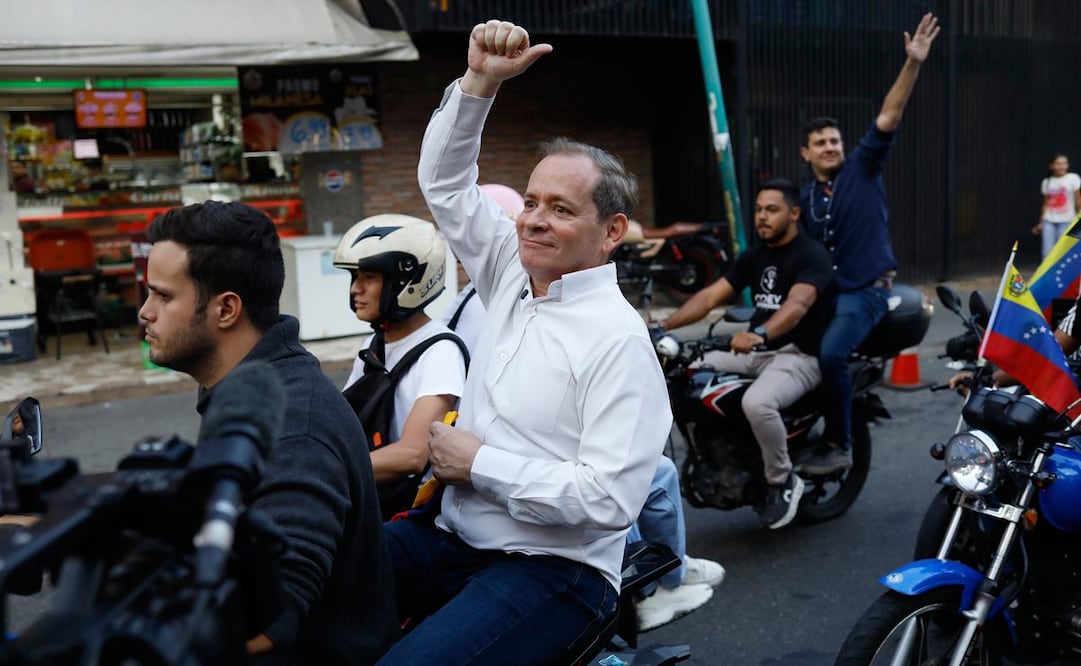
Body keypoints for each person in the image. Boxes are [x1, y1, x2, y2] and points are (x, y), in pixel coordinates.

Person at [378, 20, 672, 664]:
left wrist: (478, 463)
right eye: (531, 202)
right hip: (449, 538)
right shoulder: (510, 269)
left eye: (561, 209)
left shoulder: (619, 340)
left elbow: (610, 499)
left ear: (612, 229)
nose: (534, 219)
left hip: (555, 571)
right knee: (292, 579)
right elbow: (447, 187)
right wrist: (479, 83)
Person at [138, 201, 397, 665]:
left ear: (226, 310)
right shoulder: (254, 392)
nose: (145, 312)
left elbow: (266, 620)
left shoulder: (292, 426)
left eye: (163, 296)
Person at [442, 247, 724, 633]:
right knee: (636, 481)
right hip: (511, 472)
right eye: (529, 210)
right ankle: (656, 583)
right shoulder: (499, 294)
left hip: (505, 454)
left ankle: (671, 567)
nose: (530, 230)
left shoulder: (482, 297)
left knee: (644, 475)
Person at [799, 12, 941, 475]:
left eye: (834, 140)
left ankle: (840, 444)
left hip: (867, 292)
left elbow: (888, 115)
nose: (830, 147)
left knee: (832, 354)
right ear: (807, 152)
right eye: (820, 142)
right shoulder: (804, 199)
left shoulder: (861, 168)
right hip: (829, 294)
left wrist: (913, 63)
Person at [656, 179, 833, 528]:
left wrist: (761, 333)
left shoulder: (812, 256)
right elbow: (710, 296)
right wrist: (665, 325)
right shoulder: (755, 255)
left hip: (799, 354)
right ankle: (715, 451)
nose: (762, 217)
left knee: (757, 403)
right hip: (757, 351)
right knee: (687, 371)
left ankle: (781, 480)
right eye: (759, 210)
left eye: (772, 210)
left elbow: (797, 306)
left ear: (794, 213)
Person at [336, 214, 468, 520]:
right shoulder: (374, 346)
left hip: (418, 516)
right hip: (376, 496)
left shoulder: (440, 351)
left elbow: (413, 455)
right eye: (354, 277)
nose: (356, 289)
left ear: (408, 280)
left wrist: (328, 469)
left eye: (368, 277)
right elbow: (344, 424)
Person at [1032, 154, 1081, 259]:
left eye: (1064, 163)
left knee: (1062, 251)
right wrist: (1040, 223)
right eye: (1058, 164)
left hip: (1067, 220)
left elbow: (1078, 200)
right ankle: (1048, 275)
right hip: (1049, 220)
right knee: (1047, 252)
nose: (1062, 166)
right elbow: (1045, 204)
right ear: (1052, 166)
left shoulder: (1073, 178)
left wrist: (1078, 219)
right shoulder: (1047, 182)